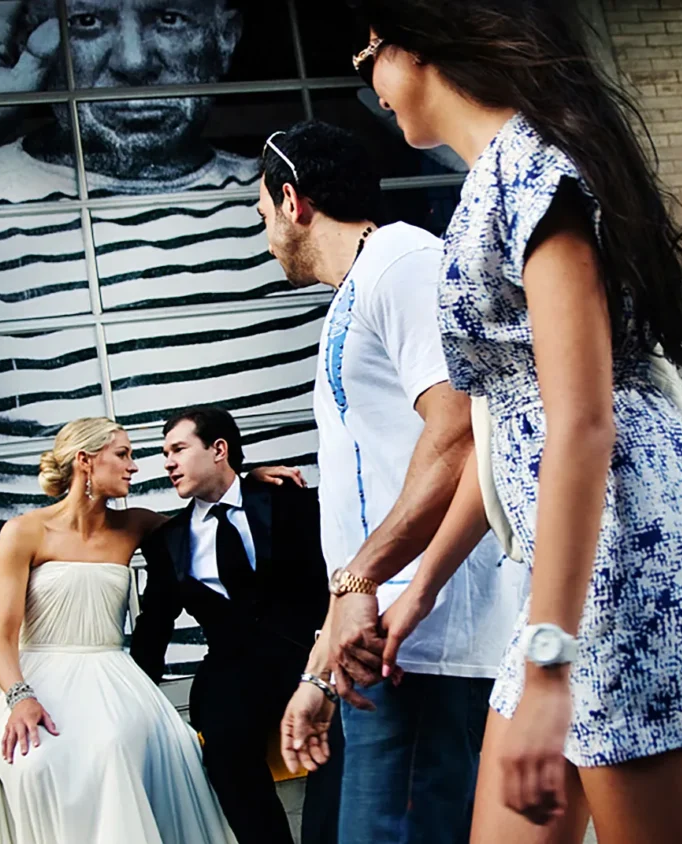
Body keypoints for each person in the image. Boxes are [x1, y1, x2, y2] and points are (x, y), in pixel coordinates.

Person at [345, 2, 682, 842]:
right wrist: (419, 588)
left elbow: (579, 422)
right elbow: (511, 428)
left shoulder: (536, 169)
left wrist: (547, 662)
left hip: (627, 557)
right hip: (563, 591)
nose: (368, 79)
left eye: (369, 52)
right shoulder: (493, 181)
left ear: (420, 44)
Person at [0, 0, 317, 712]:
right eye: (88, 21)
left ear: (226, 33)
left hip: (289, 679)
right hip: (27, 701)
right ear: (34, 44)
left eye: (168, 18)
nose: (131, 59)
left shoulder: (293, 214)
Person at [262, 121, 527, 844]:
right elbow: (361, 503)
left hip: (427, 641)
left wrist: (359, 588)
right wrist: (318, 673)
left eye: (261, 212)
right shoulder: (356, 291)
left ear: (293, 201)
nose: (263, 231)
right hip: (379, 642)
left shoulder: (401, 259)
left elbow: (457, 432)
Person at [0, 416, 237, 843]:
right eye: (123, 455)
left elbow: (215, 516)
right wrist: (21, 699)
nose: (134, 466)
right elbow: (0, 638)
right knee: (34, 764)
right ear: (86, 461)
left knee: (113, 749)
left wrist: (249, 479)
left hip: (111, 678)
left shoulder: (137, 526)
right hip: (34, 679)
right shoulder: (24, 531)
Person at [129, 405, 336, 844]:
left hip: (307, 657)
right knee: (223, 749)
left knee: (340, 739)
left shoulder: (288, 499)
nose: (167, 462)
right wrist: (134, 699)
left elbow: (331, 576)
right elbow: (153, 627)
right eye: (165, 453)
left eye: (178, 449)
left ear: (219, 449)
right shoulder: (167, 541)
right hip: (233, 670)